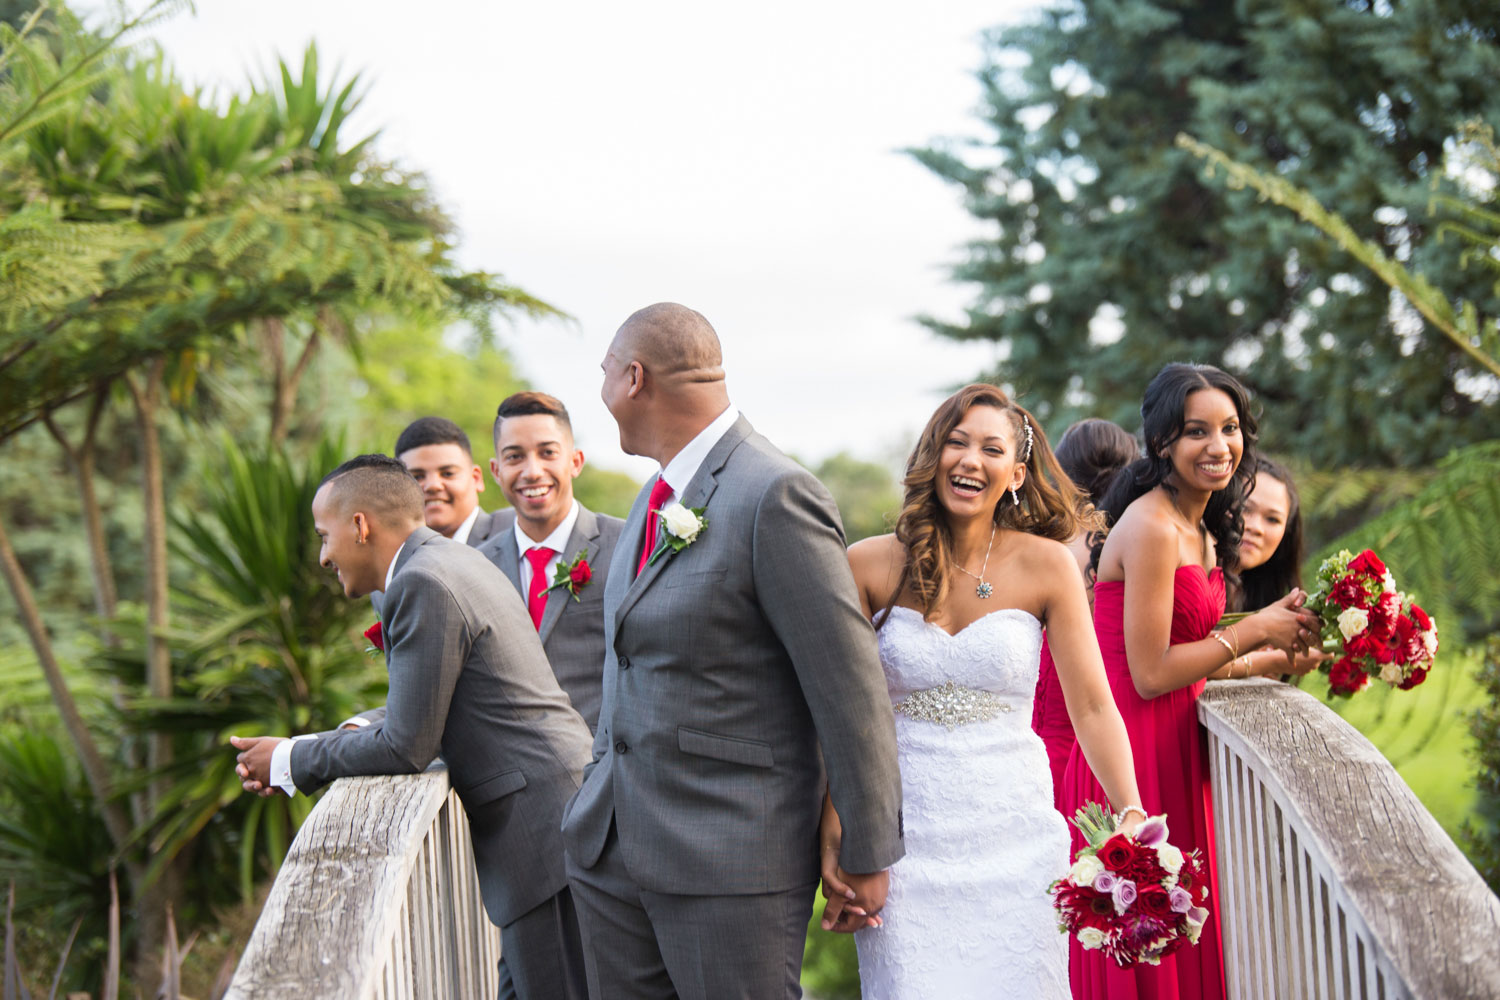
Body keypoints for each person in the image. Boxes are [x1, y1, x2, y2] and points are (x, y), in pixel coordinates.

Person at [560, 303, 904, 1000]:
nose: (599, 392)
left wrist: (867, 848)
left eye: (603, 374)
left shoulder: (774, 494)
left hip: (729, 859)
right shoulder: (651, 497)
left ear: (634, 378)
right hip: (611, 847)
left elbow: (849, 688)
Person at [817, 384, 1145, 999]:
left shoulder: (1050, 567)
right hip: (901, 846)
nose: (970, 460)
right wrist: (836, 837)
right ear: (932, 455)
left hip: (1015, 839)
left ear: (1015, 473)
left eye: (991, 449)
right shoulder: (864, 566)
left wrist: (1129, 812)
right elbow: (839, 719)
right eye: (956, 442)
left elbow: (1094, 706)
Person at [230, 454, 593, 1000]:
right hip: (552, 822)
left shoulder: (422, 581)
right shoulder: (449, 560)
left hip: (544, 839)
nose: (324, 556)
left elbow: (406, 746)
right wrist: (340, 733)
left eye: (324, 536)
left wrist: (289, 760)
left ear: (360, 525)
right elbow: (440, 697)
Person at [1063, 364, 1320, 1000]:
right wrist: (1256, 627)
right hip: (1132, 753)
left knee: (1186, 950)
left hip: (1178, 743)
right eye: (1196, 431)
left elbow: (1193, 656)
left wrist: (1272, 650)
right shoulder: (1152, 527)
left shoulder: (1198, 526)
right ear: (1161, 444)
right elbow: (1150, 674)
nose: (1218, 446)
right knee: (1146, 962)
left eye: (1229, 429)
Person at [477, 391, 626, 732]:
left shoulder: (626, 545)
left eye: (547, 453)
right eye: (515, 457)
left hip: (606, 765)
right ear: (497, 471)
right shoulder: (478, 567)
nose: (532, 471)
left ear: (574, 461)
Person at [1031, 418, 1138, 810]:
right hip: (1100, 738)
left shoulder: (1039, 543)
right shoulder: (1129, 545)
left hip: (1034, 736)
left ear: (1061, 471)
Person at [1229, 455, 1330, 679]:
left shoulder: (1264, 597)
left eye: (1272, 520)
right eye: (1246, 509)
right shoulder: (1190, 580)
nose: (1256, 527)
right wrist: (1266, 661)